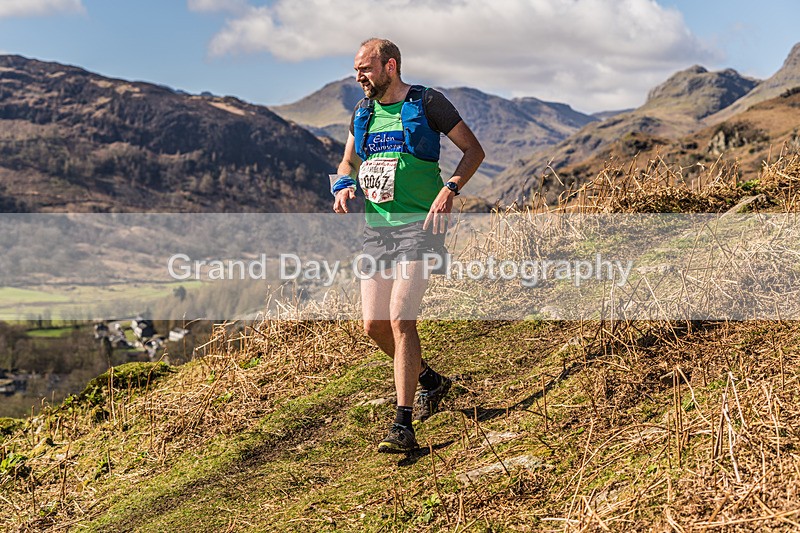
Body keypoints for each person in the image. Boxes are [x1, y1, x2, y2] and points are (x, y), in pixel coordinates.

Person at [331, 38, 485, 453]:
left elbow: (474, 150)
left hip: (420, 226)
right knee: (374, 326)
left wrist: (450, 188)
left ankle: (403, 425)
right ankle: (431, 381)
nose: (359, 77)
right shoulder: (362, 113)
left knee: (401, 319)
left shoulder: (427, 102)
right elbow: (347, 161)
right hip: (376, 230)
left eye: (365, 68)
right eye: (356, 70)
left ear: (390, 66)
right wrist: (344, 184)